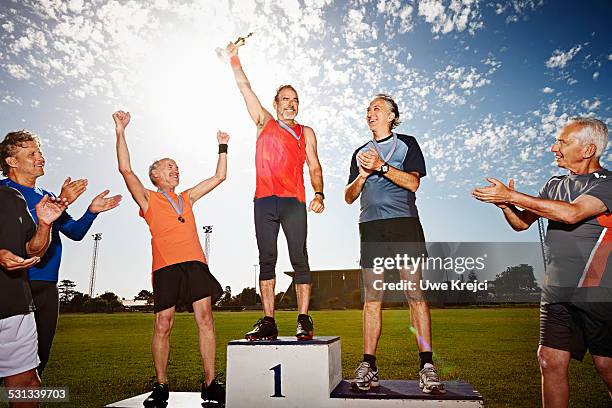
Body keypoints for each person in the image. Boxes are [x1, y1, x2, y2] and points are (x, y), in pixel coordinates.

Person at [472, 117, 612, 407]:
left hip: (599, 293)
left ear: (587, 150)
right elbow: (522, 223)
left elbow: (572, 213)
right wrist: (506, 205)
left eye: (562, 141)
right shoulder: (554, 184)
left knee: (606, 366)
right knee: (549, 361)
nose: (553, 147)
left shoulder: (608, 184)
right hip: (557, 291)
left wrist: (511, 193)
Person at [112, 110, 227, 407]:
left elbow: (219, 176)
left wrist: (223, 147)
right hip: (166, 267)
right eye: (168, 167)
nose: (175, 170)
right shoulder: (148, 199)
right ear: (156, 176)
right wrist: (121, 130)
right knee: (163, 323)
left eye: (176, 167)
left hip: (196, 264)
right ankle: (161, 384)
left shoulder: (187, 197)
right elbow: (126, 170)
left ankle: (210, 383)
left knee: (206, 319)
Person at [345, 94, 445, 394]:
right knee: (372, 297)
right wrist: (363, 176)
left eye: (377, 108)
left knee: (414, 293)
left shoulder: (407, 144)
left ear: (391, 116)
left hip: (403, 224)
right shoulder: (359, 152)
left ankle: (427, 365)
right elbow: (349, 197)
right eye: (368, 109)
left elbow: (414, 183)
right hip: (371, 227)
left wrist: (382, 167)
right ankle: (369, 365)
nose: (370, 113)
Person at [0, 130, 122, 376]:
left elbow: (75, 232)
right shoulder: (3, 192)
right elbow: (24, 234)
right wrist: (62, 201)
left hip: (46, 287)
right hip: (13, 286)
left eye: (40, 152)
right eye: (32, 153)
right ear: (11, 161)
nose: (40, 157)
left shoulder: (48, 197)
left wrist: (91, 211)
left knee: (36, 366)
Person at [226, 42, 325, 341]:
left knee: (300, 258)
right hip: (264, 202)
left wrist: (319, 194)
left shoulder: (305, 131)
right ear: (276, 102)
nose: (291, 104)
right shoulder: (264, 121)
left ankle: (303, 319)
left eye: (295, 100)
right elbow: (245, 88)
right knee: (267, 258)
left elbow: (315, 166)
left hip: (294, 202)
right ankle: (268, 320)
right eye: (285, 99)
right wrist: (234, 59)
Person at [1, 185, 67, 408]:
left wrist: (45, 224)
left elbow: (33, 249)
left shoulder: (13, 197)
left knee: (27, 384)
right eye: (31, 152)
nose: (40, 157)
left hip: (17, 304)